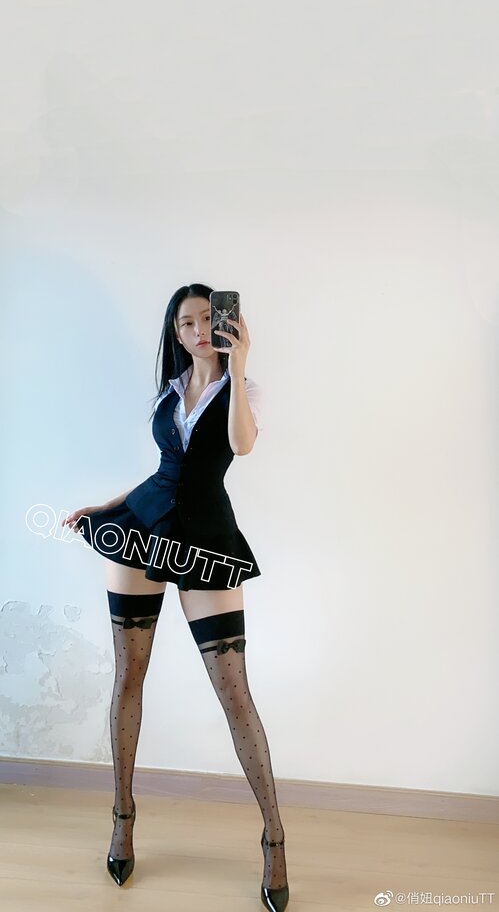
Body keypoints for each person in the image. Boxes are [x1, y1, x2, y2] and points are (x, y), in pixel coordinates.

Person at [62, 282, 289, 911]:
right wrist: (106, 506)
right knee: (128, 676)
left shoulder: (244, 389)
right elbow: (165, 469)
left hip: (207, 542)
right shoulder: (169, 391)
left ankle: (274, 837)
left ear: (225, 323)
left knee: (234, 692)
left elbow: (240, 446)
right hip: (140, 529)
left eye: (206, 319)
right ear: (176, 332)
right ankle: (123, 818)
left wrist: (239, 365)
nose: (197, 330)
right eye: (185, 323)